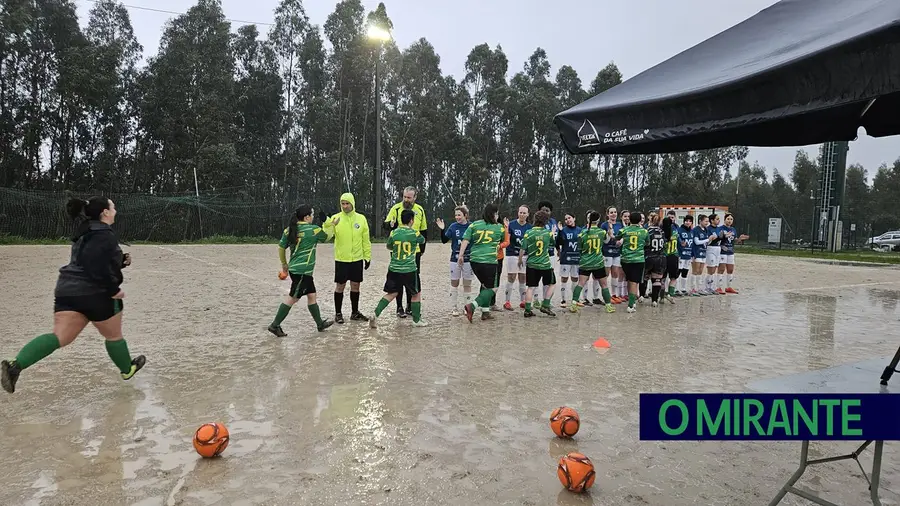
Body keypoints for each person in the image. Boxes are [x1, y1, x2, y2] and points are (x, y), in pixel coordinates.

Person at [2, 197, 145, 394]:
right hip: (96, 292)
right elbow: (97, 265)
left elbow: (89, 259)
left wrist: (118, 261)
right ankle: (127, 370)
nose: (115, 211)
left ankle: (15, 365)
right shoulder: (105, 235)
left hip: (67, 290)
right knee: (113, 335)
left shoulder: (84, 232)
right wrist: (113, 289)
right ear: (104, 212)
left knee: (60, 336)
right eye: (113, 207)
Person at [267, 205, 334, 337]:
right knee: (293, 298)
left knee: (312, 295)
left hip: (297, 270)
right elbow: (328, 237)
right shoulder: (313, 230)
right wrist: (330, 224)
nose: (313, 217)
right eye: (312, 215)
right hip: (303, 271)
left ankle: (320, 324)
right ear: (307, 217)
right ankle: (274, 325)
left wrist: (284, 264)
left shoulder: (289, 230)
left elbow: (281, 247)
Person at [370, 210, 428, 328]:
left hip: (394, 269)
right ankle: (416, 321)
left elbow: (389, 246)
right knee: (416, 293)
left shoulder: (394, 233)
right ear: (411, 220)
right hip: (409, 269)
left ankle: (375, 314)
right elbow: (422, 240)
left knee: (391, 293)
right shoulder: (414, 233)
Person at [323, 193, 371, 323]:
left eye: (347, 203)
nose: (345, 206)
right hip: (341, 259)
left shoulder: (361, 219)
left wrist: (367, 256)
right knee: (340, 286)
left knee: (356, 285)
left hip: (357, 259)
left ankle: (354, 312)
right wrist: (328, 225)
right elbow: (327, 237)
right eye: (342, 204)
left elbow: (365, 240)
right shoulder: (336, 218)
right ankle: (338, 313)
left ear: (352, 204)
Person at [384, 187, 428, 318]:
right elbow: (386, 225)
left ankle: (410, 306)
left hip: (415, 252)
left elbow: (424, 230)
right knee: (398, 279)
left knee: (412, 280)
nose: (406, 200)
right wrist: (390, 225)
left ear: (415, 198)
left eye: (409, 197)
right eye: (404, 197)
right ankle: (399, 307)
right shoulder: (396, 208)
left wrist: (422, 249)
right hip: (398, 251)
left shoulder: (419, 210)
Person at [458, 203, 505, 323]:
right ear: (494, 214)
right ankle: (472, 306)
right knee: (493, 288)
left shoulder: (474, 225)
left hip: (474, 261)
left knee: (485, 286)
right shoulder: (499, 227)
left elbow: (465, 240)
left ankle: (485, 313)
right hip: (489, 261)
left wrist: (461, 255)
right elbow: (504, 240)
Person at [570, 211, 615, 313]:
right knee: (604, 284)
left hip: (585, 262)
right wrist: (610, 231)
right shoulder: (601, 232)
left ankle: (573, 304)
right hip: (598, 262)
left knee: (580, 283)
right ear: (598, 220)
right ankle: (608, 306)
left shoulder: (582, 233)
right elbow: (607, 241)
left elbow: (579, 248)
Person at [519, 210, 557, 317]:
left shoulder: (528, 233)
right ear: (546, 222)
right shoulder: (547, 233)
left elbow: (523, 248)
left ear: (535, 220)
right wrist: (553, 234)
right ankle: (545, 304)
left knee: (531, 287)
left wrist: (520, 259)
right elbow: (553, 243)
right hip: (545, 264)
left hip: (531, 264)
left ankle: (527, 310)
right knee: (552, 284)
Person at [436, 206, 472, 316]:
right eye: (456, 215)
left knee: (467, 284)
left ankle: (467, 308)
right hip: (454, 259)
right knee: (454, 283)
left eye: (459, 215)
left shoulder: (472, 226)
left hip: (468, 259)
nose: (457, 217)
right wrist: (442, 229)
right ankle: (454, 307)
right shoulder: (453, 226)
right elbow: (444, 240)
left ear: (465, 215)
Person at [616, 211, 648, 313]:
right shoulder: (644, 231)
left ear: (630, 219)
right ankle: (630, 305)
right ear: (640, 220)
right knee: (634, 282)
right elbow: (647, 243)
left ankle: (632, 301)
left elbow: (616, 238)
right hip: (638, 259)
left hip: (625, 259)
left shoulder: (624, 230)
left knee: (630, 280)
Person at [503, 205, 532, 310]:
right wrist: (506, 228)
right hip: (512, 254)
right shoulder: (511, 224)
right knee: (511, 277)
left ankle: (523, 301)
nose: (522, 215)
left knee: (523, 278)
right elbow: (506, 238)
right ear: (518, 212)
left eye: (524, 213)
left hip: (525, 255)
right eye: (520, 212)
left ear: (528, 214)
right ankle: (507, 301)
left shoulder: (530, 227)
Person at [718, 213, 750, 293]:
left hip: (730, 251)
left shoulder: (733, 229)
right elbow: (718, 239)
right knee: (721, 269)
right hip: (722, 251)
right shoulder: (720, 228)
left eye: (731, 219)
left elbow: (734, 240)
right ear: (724, 220)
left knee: (730, 269)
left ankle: (728, 287)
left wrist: (740, 239)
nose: (729, 221)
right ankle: (718, 287)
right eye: (728, 219)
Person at [555, 213, 582, 308]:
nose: (568, 220)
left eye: (569, 218)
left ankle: (575, 299)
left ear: (574, 218)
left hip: (576, 258)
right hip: (566, 258)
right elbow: (558, 243)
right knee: (564, 278)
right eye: (566, 219)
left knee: (575, 278)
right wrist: (559, 252)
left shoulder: (580, 230)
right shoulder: (563, 230)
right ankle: (563, 300)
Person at [536, 201, 558, 307]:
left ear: (550, 212)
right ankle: (535, 300)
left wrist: (558, 250)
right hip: (539, 255)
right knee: (536, 277)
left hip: (551, 254)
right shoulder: (537, 223)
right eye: (543, 210)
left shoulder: (553, 222)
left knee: (548, 279)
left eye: (547, 210)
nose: (545, 212)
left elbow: (556, 238)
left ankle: (546, 300)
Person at [643, 212, 668, 307]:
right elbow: (664, 243)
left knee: (645, 277)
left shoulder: (647, 231)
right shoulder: (662, 232)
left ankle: (641, 295)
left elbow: (645, 243)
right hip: (660, 258)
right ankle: (654, 301)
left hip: (649, 257)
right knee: (657, 279)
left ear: (650, 221)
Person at [690, 214, 713, 296]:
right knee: (695, 271)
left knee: (700, 271)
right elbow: (696, 242)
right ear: (700, 221)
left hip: (703, 252)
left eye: (708, 221)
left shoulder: (706, 230)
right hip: (696, 252)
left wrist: (710, 240)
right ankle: (693, 288)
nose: (707, 223)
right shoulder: (696, 230)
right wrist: (708, 239)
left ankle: (699, 288)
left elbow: (707, 242)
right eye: (705, 221)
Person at [491, 220, 511, 311]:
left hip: (498, 257)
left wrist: (500, 246)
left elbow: (507, 241)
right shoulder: (483, 226)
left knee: (496, 281)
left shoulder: (501, 227)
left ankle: (492, 303)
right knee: (485, 281)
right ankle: (484, 304)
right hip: (485, 257)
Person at [662, 214, 680, 303]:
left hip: (663, 256)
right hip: (673, 256)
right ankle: (670, 294)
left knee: (662, 278)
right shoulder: (675, 231)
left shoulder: (661, 231)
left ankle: (661, 297)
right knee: (673, 278)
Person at [676, 215, 694, 296]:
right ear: (684, 221)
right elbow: (678, 238)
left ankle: (683, 288)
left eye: (690, 221)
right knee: (678, 271)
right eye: (686, 221)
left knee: (685, 271)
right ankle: (675, 288)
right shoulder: (679, 230)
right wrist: (681, 242)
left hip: (688, 255)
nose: (688, 222)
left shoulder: (691, 231)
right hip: (681, 254)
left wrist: (692, 255)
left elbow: (692, 243)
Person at [706, 213, 724, 295]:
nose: (718, 220)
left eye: (719, 219)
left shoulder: (719, 229)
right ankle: (707, 287)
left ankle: (712, 287)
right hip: (711, 248)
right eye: (717, 219)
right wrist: (717, 238)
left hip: (718, 249)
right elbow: (709, 240)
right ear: (712, 220)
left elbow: (721, 239)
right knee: (711, 268)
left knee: (715, 267)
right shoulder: (708, 229)